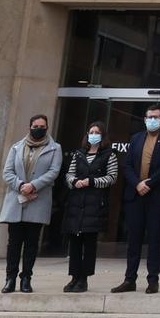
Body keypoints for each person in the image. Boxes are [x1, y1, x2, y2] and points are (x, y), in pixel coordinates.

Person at [112, 104, 160, 294]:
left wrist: (149, 183)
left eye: (155, 117)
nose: (152, 120)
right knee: (134, 239)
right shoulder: (136, 138)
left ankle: (153, 280)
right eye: (149, 117)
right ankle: (129, 279)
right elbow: (127, 165)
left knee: (155, 238)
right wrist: (137, 184)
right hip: (136, 194)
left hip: (157, 195)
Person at [0, 114, 62, 294]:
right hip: (16, 201)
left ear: (47, 128)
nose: (39, 129)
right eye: (36, 126)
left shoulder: (55, 148)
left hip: (38, 201)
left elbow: (54, 172)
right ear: (30, 127)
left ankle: (26, 278)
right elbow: (7, 172)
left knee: (31, 243)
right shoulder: (16, 147)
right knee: (13, 244)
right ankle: (10, 278)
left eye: (42, 126)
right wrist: (21, 186)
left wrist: (33, 185)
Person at [62, 121, 118, 293]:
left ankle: (83, 279)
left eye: (97, 132)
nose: (93, 135)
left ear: (103, 135)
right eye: (91, 132)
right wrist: (74, 181)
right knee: (75, 243)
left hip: (95, 204)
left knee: (89, 243)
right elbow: (69, 174)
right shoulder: (78, 154)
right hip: (76, 203)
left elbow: (112, 177)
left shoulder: (109, 155)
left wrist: (91, 181)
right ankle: (74, 276)